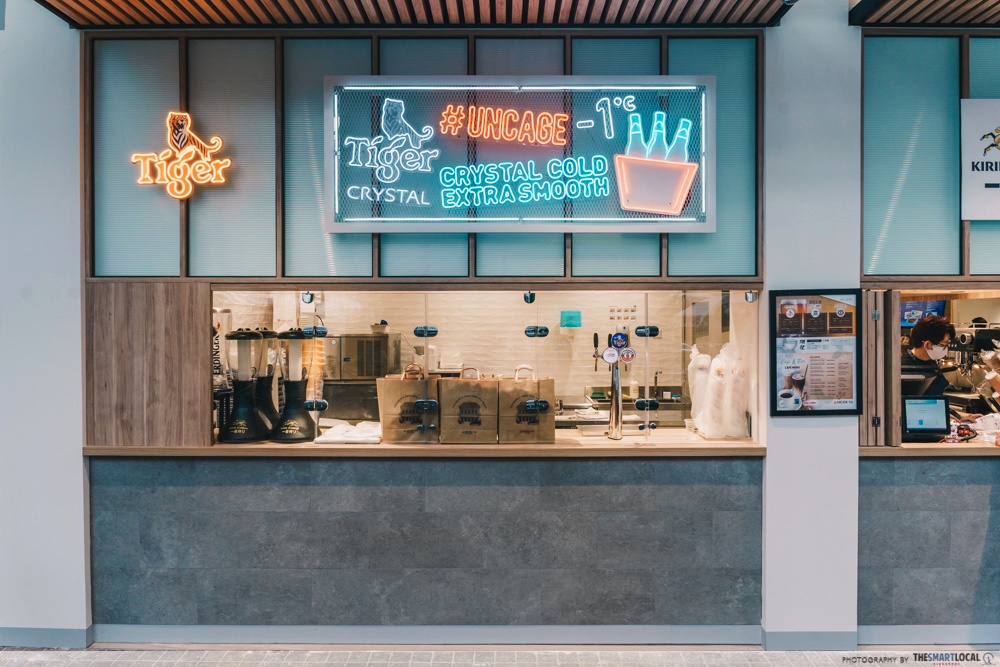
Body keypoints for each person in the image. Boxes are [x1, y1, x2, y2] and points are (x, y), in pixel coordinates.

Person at [902, 315, 955, 397]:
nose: (945, 349)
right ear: (927, 344)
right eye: (943, 345)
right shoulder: (905, 368)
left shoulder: (930, 362)